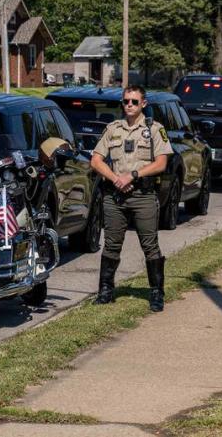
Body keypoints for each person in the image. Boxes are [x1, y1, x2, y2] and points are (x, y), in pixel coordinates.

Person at [90, 85, 172, 311]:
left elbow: (161, 163)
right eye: (126, 101)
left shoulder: (155, 129)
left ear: (143, 104)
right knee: (111, 244)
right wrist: (116, 178)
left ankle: (156, 293)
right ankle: (106, 290)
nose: (129, 105)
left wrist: (133, 175)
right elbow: (96, 160)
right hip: (115, 195)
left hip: (143, 195)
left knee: (150, 245)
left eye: (134, 102)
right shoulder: (113, 129)